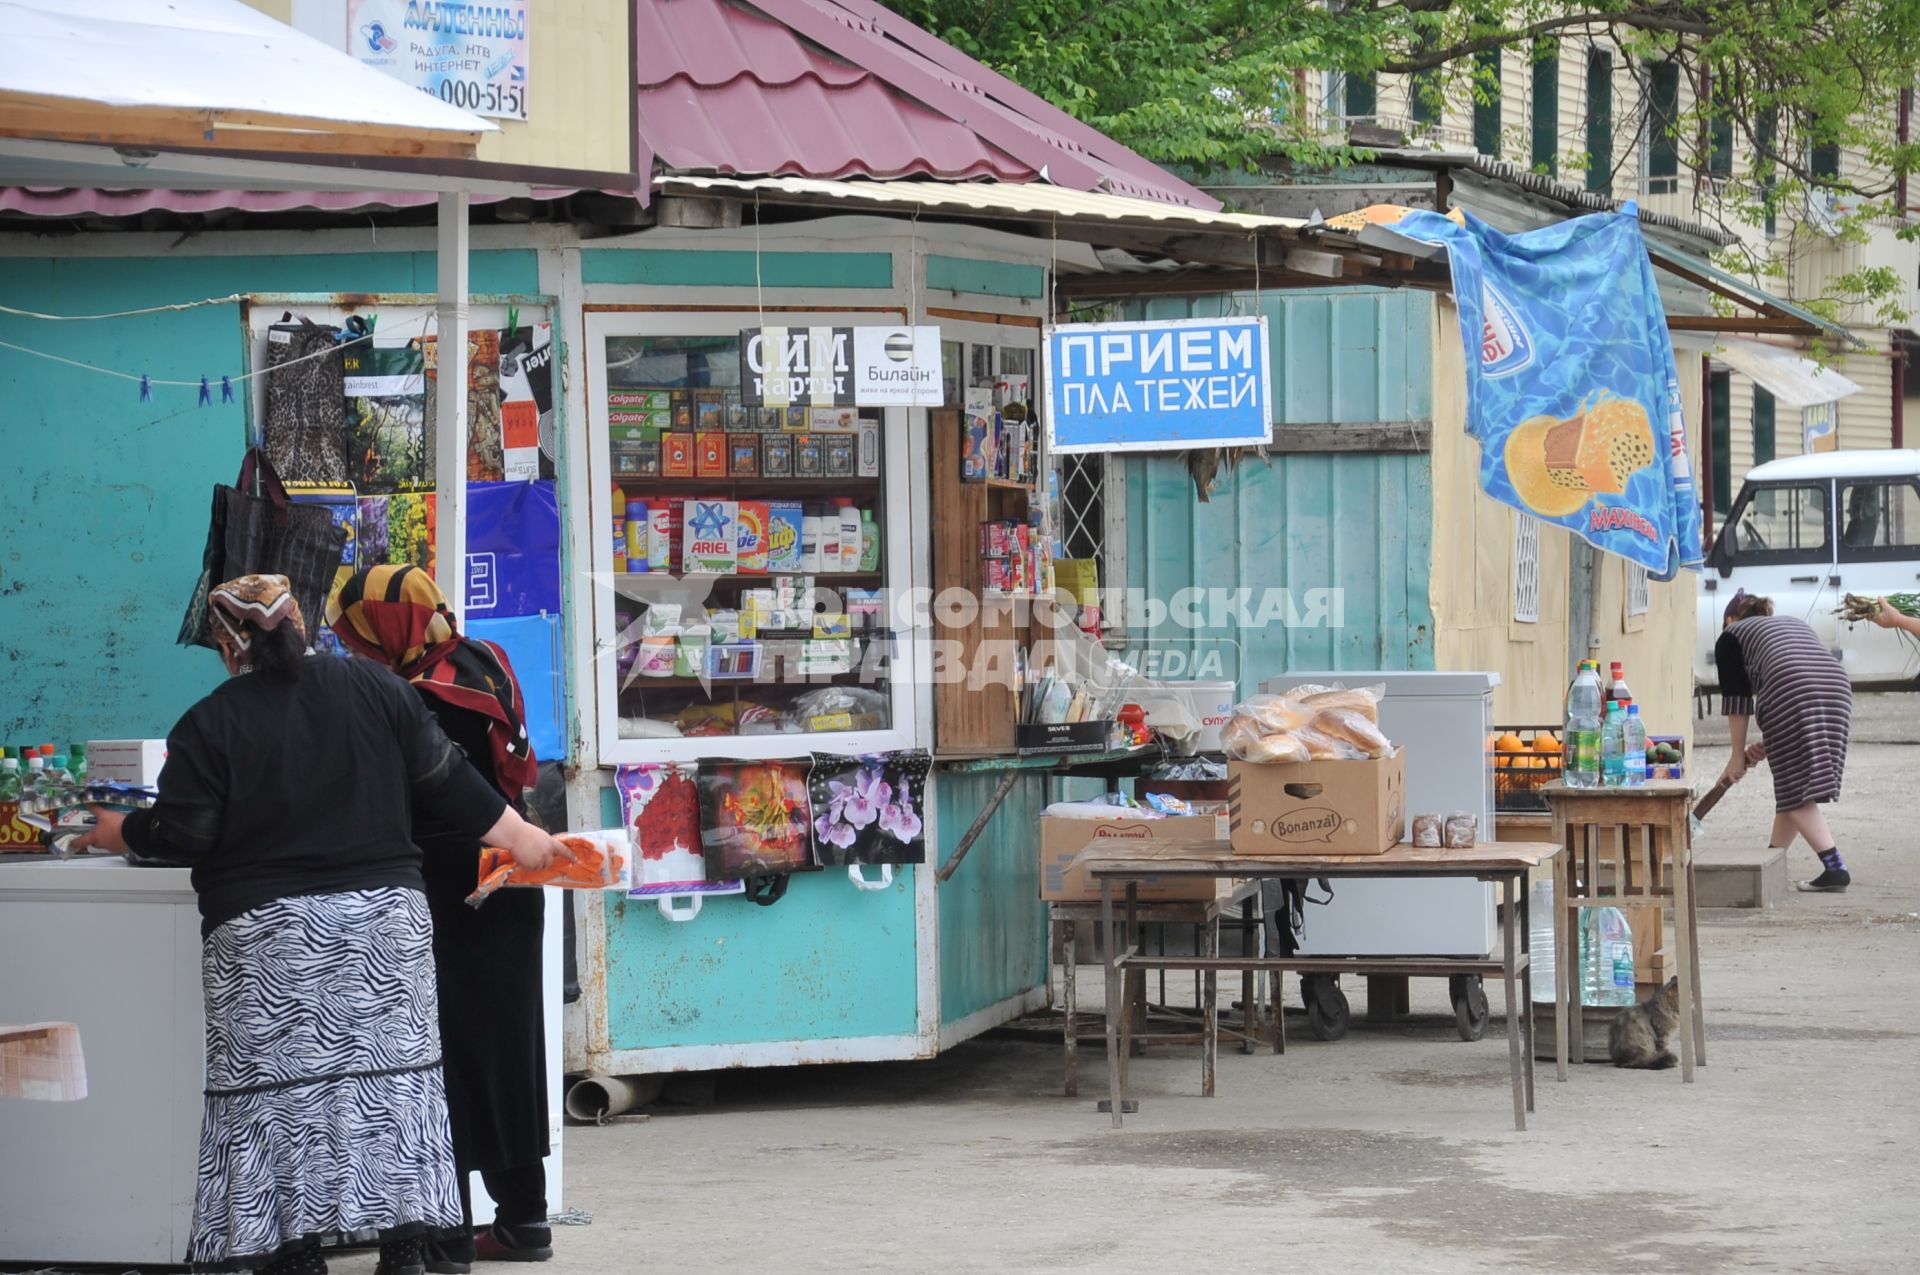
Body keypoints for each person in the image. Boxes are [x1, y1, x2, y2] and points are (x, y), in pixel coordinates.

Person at [74, 575, 569, 1275]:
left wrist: (121, 831)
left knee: (277, 1102)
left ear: (228, 647)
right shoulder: (380, 690)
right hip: (383, 933)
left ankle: (293, 1252)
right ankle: (405, 1246)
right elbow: (450, 782)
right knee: (396, 1091)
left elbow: (184, 833)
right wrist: (524, 837)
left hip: (268, 943)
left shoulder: (210, 722)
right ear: (302, 629)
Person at [326, 565, 554, 1269]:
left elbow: (433, 795)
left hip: (454, 883)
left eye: (359, 635)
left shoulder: (415, 698)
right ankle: (523, 1220)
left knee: (443, 1060)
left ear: (388, 628)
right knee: (509, 1053)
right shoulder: (480, 659)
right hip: (509, 878)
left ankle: (448, 1235)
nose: (355, 651)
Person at [1716, 589, 1855, 892]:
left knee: (1794, 786)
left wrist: (1736, 756)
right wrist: (1769, 744)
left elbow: (1737, 702)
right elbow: (1799, 675)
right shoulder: (1790, 625)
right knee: (1792, 788)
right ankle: (1770, 860)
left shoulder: (1730, 636)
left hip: (1792, 688)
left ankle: (1835, 867)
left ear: (1730, 619)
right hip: (1836, 687)